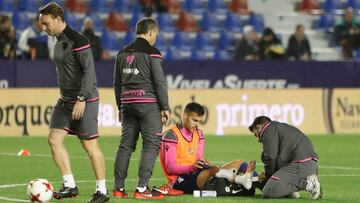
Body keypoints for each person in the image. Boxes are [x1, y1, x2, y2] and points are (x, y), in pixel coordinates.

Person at [39, 3, 109, 203]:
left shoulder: (78, 40)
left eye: (46, 23)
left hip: (84, 100)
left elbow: (89, 72)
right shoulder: (58, 41)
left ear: (58, 19)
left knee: (89, 146)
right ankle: (70, 185)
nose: (44, 28)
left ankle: (102, 191)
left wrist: (82, 99)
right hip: (65, 99)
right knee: (54, 139)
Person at [113, 17, 169, 200]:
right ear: (151, 32)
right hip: (148, 104)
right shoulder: (152, 53)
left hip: (127, 104)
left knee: (125, 146)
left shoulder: (121, 53)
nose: (156, 39)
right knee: (151, 144)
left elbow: (117, 83)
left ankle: (118, 189)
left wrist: (120, 106)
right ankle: (142, 188)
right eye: (156, 35)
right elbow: (159, 82)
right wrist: (165, 107)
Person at [154, 102, 259, 196]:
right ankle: (241, 179)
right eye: (194, 120)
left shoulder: (199, 134)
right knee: (211, 170)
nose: (197, 125)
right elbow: (171, 168)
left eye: (199, 121)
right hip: (179, 180)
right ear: (185, 116)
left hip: (197, 174)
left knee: (239, 163)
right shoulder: (171, 135)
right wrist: (193, 167)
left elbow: (198, 160)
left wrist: (203, 163)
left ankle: (258, 181)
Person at [248, 116, 323, 199]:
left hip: (301, 165)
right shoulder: (277, 128)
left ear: (258, 126)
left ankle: (307, 184)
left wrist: (267, 175)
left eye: (255, 134)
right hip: (307, 164)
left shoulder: (268, 130)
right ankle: (289, 190)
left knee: (268, 191)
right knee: (264, 156)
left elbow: (271, 157)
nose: (257, 139)